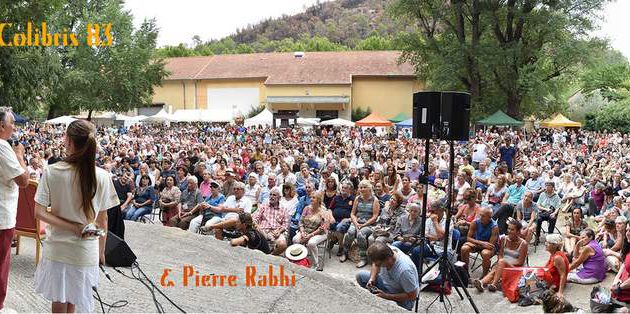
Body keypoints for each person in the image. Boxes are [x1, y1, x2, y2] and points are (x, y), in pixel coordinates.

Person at [33, 120, 119, 313]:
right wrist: (101, 252)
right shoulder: (103, 176)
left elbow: (38, 212)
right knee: (73, 301)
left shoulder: (51, 172)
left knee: (60, 301)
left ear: (69, 141)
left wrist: (71, 227)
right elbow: (102, 220)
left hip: (58, 249)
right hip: (86, 252)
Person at [0, 109, 28, 312]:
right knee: (1, 266)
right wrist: (19, 156)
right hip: (1, 218)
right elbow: (24, 180)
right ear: (1, 126)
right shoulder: (2, 147)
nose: (14, 128)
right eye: (12, 124)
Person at [355, 242, 419, 310]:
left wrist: (386, 296)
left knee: (399, 309)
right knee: (360, 276)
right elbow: (375, 264)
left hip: (404, 296)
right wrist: (372, 278)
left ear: (388, 259)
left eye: (379, 264)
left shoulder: (405, 270)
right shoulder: (387, 250)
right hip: (387, 284)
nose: (378, 265)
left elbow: (412, 296)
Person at [473, 218, 527, 293]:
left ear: (518, 232)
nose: (509, 231)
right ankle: (482, 283)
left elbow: (520, 262)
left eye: (512, 230)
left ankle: (492, 283)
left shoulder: (523, 243)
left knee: (501, 263)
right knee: (497, 266)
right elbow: (500, 254)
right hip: (503, 264)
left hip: (517, 268)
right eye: (508, 229)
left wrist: (504, 263)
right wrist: (501, 263)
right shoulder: (504, 239)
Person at [341, 180, 380, 268]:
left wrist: (363, 225)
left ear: (369, 189)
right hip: (357, 222)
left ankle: (363, 258)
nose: (362, 189)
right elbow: (352, 213)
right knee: (350, 233)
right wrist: (356, 223)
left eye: (364, 187)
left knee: (361, 234)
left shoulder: (375, 200)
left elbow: (375, 216)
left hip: (369, 224)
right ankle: (345, 252)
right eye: (361, 187)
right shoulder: (358, 198)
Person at [292, 192, 331, 271]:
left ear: (319, 200)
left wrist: (310, 235)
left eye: (314, 198)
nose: (311, 199)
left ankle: (317, 264)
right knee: (295, 239)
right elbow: (301, 221)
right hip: (306, 230)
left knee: (311, 243)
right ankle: (300, 259)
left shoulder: (323, 211)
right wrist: (302, 232)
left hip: (319, 233)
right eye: (311, 197)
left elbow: (322, 228)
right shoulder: (307, 208)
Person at [460, 207, 499, 277]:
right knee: (464, 248)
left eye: (483, 216)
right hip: (478, 244)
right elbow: (468, 238)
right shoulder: (475, 222)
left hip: (487, 248)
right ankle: (465, 274)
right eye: (480, 215)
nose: (480, 217)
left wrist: (474, 243)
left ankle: (484, 277)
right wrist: (481, 243)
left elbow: (490, 246)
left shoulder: (494, 227)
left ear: (489, 218)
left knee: (485, 253)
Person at [252, 187, 288, 256]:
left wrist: (279, 231)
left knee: (283, 244)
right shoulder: (264, 206)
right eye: (270, 194)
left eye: (274, 195)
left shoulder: (283, 209)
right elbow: (254, 218)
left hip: (276, 232)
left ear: (279, 198)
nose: (271, 197)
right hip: (262, 230)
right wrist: (258, 227)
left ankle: (271, 256)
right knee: (254, 227)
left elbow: (285, 225)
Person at [611, 222, 630, 303]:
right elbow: (624, 264)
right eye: (627, 230)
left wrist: (620, 287)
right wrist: (616, 280)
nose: (628, 233)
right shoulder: (628, 245)